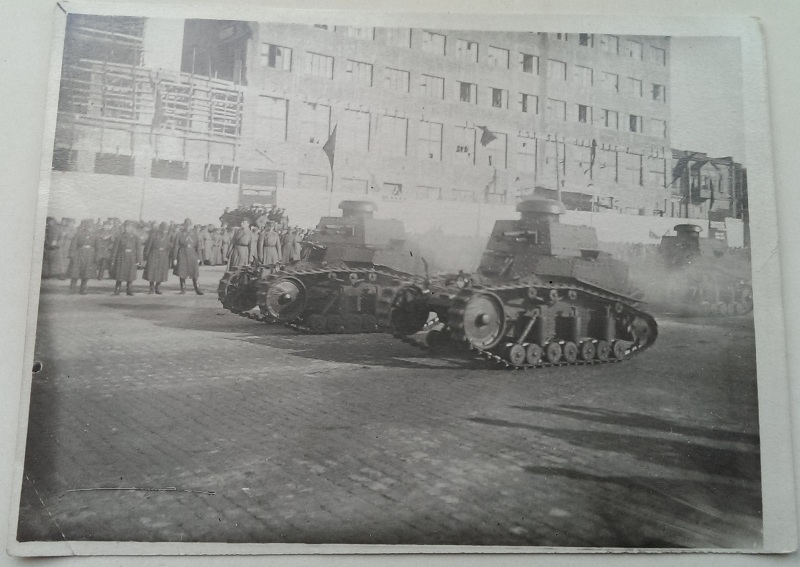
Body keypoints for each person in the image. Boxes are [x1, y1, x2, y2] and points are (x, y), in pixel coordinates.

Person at [171, 218, 204, 295]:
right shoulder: (179, 234)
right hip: (182, 254)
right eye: (186, 225)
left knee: (194, 273)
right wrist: (175, 258)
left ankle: (197, 289)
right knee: (182, 272)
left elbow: (198, 247)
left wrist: (199, 257)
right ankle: (183, 289)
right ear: (184, 225)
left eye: (189, 225)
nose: (188, 227)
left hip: (192, 254)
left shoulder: (195, 234)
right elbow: (176, 246)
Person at [110, 220, 142, 296]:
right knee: (119, 274)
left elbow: (138, 249)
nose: (127, 228)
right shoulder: (120, 237)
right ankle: (117, 290)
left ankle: (129, 290)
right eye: (125, 226)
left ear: (131, 227)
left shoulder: (135, 238)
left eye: (128, 226)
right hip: (121, 257)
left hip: (131, 258)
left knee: (130, 275)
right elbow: (115, 249)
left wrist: (138, 260)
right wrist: (113, 260)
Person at [67, 219, 98, 294]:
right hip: (79, 254)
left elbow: (97, 247)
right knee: (75, 272)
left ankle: (83, 289)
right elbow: (73, 244)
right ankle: (72, 288)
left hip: (90, 255)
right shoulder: (79, 234)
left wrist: (97, 256)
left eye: (91, 227)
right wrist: (72, 254)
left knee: (86, 273)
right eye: (88, 227)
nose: (90, 228)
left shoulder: (95, 236)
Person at [143, 222, 171, 294]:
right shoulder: (154, 235)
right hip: (154, 255)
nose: (165, 231)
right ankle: (151, 288)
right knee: (152, 272)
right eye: (164, 229)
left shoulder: (167, 237)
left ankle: (157, 287)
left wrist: (167, 256)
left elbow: (168, 248)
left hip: (163, 256)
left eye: (166, 230)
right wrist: (146, 256)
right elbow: (148, 246)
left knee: (161, 272)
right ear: (161, 229)